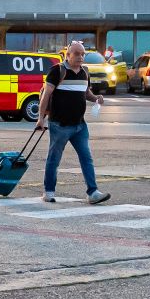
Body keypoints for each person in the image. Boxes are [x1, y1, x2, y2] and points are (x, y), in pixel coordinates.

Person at [36, 41, 111, 205]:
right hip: (60, 124)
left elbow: (85, 92)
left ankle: (92, 192)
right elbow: (46, 95)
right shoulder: (57, 70)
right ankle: (48, 191)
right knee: (54, 158)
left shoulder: (85, 71)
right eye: (76, 54)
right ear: (67, 55)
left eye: (82, 54)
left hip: (79, 125)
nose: (80, 57)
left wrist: (96, 98)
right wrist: (40, 118)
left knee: (86, 158)